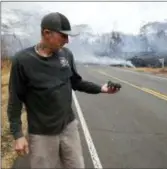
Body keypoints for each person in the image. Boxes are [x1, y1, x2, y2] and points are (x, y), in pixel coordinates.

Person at [7, 12, 121, 168]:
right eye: (63, 36)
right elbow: (15, 100)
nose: (67, 41)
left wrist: (102, 89)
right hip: (41, 133)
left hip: (69, 126)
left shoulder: (66, 55)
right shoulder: (22, 60)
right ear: (47, 33)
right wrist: (18, 135)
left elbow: (76, 82)